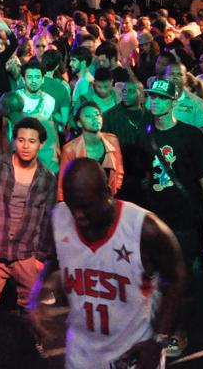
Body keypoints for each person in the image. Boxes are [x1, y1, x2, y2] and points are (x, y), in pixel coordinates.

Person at [33, 158, 187, 369]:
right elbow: (52, 262)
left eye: (86, 206)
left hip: (132, 354)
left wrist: (159, 340)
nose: (78, 215)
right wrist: (41, 294)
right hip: (82, 355)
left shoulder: (145, 228)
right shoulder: (58, 219)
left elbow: (176, 278)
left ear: (107, 193)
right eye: (72, 206)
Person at [129, 77, 203, 357]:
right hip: (154, 221)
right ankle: (156, 329)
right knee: (153, 279)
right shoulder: (143, 135)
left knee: (178, 278)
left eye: (160, 98)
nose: (154, 101)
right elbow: (137, 181)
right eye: (151, 96)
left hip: (184, 220)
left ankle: (178, 330)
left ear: (173, 102)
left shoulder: (191, 135)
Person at [0, 117, 57, 310]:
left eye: (32, 141)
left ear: (41, 144)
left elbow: (48, 220)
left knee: (33, 307)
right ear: (14, 140)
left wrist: (40, 257)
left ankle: (31, 341)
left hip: (25, 252)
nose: (26, 146)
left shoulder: (48, 178)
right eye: (21, 140)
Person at [58, 102, 124, 200]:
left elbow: (119, 170)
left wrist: (114, 192)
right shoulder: (70, 149)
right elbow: (62, 185)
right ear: (79, 123)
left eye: (97, 115)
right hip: (82, 201)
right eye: (88, 116)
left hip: (107, 200)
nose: (95, 118)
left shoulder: (112, 140)